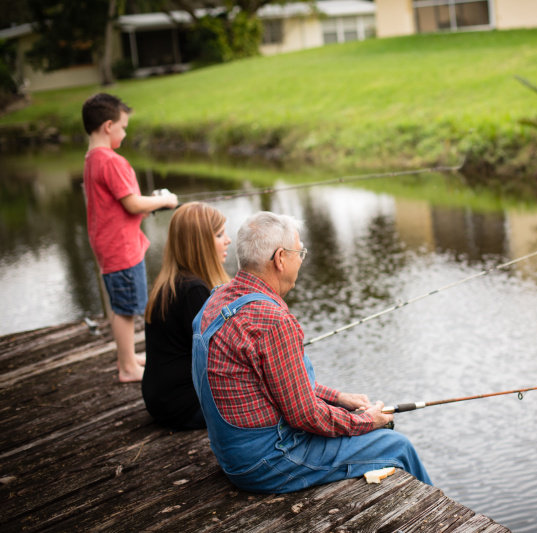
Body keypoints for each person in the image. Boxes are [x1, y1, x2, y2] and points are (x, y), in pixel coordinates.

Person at [192, 211, 432, 493]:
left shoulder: (217, 298)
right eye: (300, 252)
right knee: (397, 445)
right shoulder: (272, 321)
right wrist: (368, 421)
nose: (301, 260)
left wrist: (340, 398)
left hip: (233, 457)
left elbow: (280, 383)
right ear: (280, 258)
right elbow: (306, 417)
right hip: (268, 462)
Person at [82, 93, 178, 382]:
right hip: (121, 247)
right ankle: (127, 368)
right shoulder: (112, 161)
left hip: (107, 243)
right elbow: (133, 204)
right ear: (108, 125)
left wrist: (147, 202)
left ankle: (128, 356)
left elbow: (121, 204)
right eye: (123, 127)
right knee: (126, 310)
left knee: (120, 304)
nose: (124, 132)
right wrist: (164, 201)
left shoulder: (91, 159)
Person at [143, 202, 231, 430]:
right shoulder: (194, 291)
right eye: (220, 234)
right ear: (200, 243)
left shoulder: (170, 284)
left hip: (162, 400)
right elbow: (220, 357)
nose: (227, 240)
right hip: (184, 407)